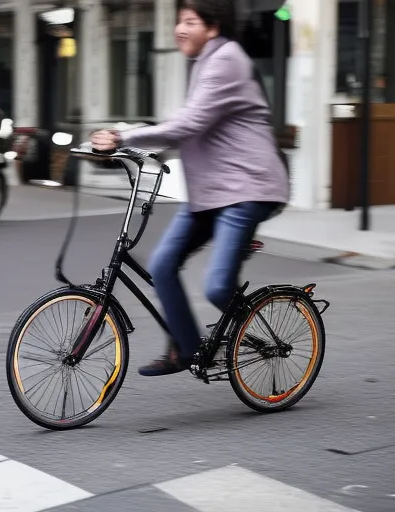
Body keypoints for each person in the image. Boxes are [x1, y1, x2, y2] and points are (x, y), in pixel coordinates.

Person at [90, 0, 290, 376]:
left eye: (189, 21)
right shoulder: (202, 63)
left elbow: (189, 124)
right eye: (178, 21)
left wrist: (122, 137)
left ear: (212, 27)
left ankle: (252, 333)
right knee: (163, 265)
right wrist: (123, 149)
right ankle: (186, 349)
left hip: (248, 189)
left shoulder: (226, 59)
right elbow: (192, 130)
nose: (179, 29)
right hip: (213, 193)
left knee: (217, 288)